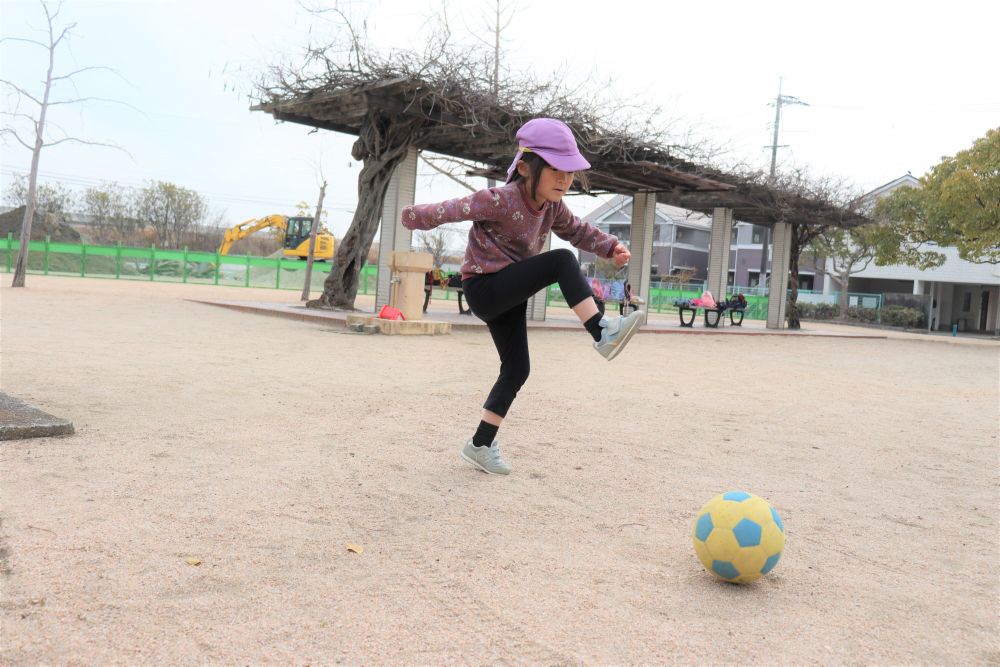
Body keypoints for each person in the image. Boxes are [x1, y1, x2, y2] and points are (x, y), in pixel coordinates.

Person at [401, 118, 644, 475]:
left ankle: (481, 444)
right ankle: (601, 331)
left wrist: (610, 246)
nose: (564, 180)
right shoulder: (500, 200)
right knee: (561, 260)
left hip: (509, 291)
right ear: (528, 167)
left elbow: (578, 230)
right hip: (484, 286)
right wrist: (412, 217)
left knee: (518, 368)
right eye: (556, 170)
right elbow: (454, 208)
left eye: (570, 172)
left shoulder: (552, 208)